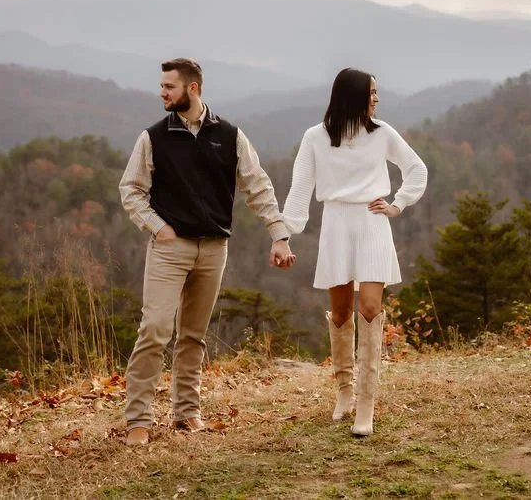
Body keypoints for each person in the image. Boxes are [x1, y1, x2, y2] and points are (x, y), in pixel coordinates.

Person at [119, 57, 295, 446]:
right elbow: (130, 190)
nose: (162, 93)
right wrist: (157, 227)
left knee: (193, 335)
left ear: (193, 88)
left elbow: (258, 186)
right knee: (154, 330)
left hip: (214, 249)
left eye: (169, 87)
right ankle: (138, 421)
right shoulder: (153, 137)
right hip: (170, 249)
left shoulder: (230, 135)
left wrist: (279, 235)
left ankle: (186, 414)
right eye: (162, 86)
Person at [281, 68, 427, 436]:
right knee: (342, 310)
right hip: (336, 223)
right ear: (352, 95)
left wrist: (398, 203)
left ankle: (366, 404)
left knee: (371, 307)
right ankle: (344, 392)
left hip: (372, 221)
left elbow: (416, 169)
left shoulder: (382, 133)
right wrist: (284, 235)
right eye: (371, 92)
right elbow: (300, 189)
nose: (377, 99)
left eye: (377, 92)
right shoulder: (315, 137)